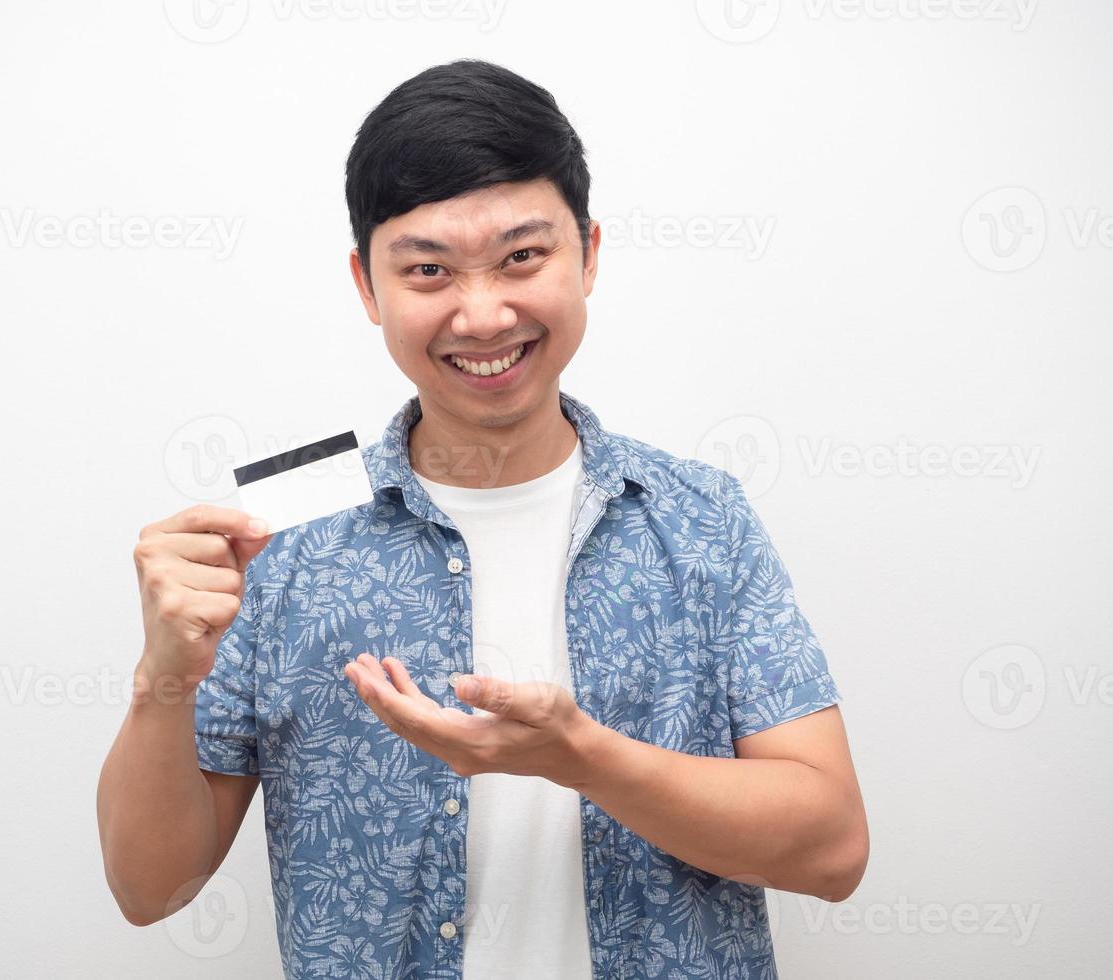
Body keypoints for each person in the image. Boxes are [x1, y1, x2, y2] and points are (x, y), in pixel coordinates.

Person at [97, 58, 868, 980]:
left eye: (521, 257)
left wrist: (580, 757)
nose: (483, 313)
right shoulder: (279, 538)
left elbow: (830, 855)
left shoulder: (701, 517)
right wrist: (164, 674)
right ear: (366, 285)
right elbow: (151, 891)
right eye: (427, 270)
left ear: (587, 254)